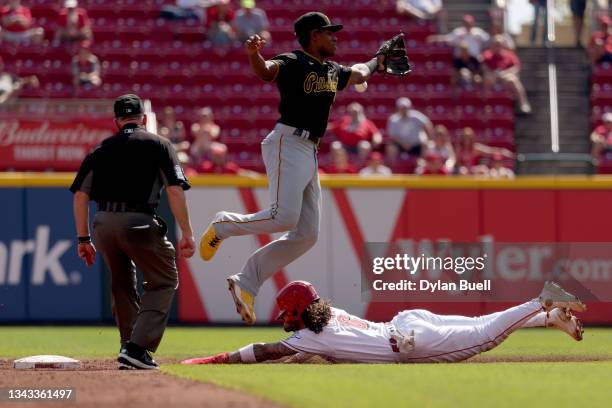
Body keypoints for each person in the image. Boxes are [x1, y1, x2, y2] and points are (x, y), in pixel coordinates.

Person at [198, 11, 387, 325]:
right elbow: (266, 71)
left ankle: (246, 282)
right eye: (329, 32)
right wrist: (254, 54)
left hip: (309, 149)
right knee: (283, 216)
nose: (335, 37)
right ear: (314, 35)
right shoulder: (294, 60)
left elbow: (358, 74)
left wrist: (376, 60)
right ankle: (223, 225)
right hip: (288, 140)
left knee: (307, 234)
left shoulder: (330, 70)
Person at [70, 94, 196, 370]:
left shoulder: (99, 149)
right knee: (163, 281)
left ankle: (128, 344)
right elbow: (174, 190)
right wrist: (186, 231)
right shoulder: (160, 145)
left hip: (103, 225)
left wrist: (83, 238)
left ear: (116, 121)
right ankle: (137, 349)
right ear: (144, 118)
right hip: (137, 221)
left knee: (122, 282)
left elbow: (80, 195)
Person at [181, 280, 585, 365]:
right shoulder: (327, 317)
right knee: (481, 323)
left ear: (301, 311)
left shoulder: (311, 337)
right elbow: (294, 354)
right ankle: (549, 317)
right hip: (406, 324)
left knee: (483, 335)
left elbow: (269, 351)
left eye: (288, 312)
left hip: (412, 342)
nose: (285, 320)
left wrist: (216, 359)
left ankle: (541, 299)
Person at [481, 35, 531, 114]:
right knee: (486, 79)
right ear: (492, 45)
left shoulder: (510, 54)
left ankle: (523, 103)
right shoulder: (487, 54)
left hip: (505, 77)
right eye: (495, 44)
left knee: (513, 80)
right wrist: (493, 73)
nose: (497, 46)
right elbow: (483, 66)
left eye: (499, 44)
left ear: (503, 45)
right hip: (493, 77)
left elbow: (517, 67)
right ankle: (486, 105)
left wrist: (505, 73)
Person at [385, 97, 434, 162]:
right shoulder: (393, 119)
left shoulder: (416, 116)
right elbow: (392, 136)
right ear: (398, 108)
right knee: (391, 147)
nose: (404, 110)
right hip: (400, 145)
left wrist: (429, 138)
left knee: (426, 144)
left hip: (416, 144)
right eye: (402, 108)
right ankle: (393, 166)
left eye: (405, 108)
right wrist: (403, 144)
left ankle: (423, 164)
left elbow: (427, 124)